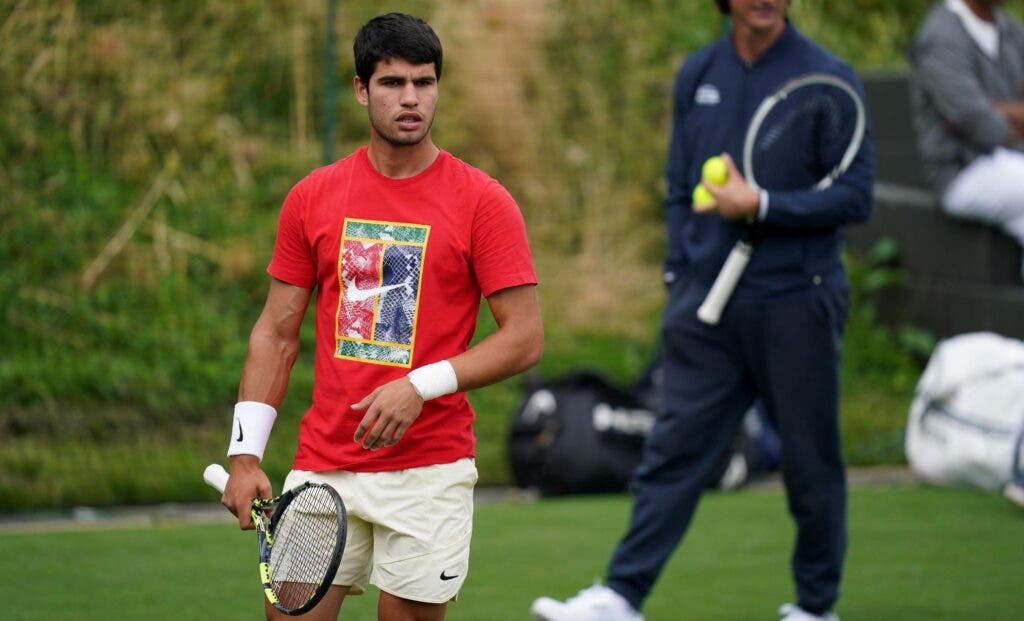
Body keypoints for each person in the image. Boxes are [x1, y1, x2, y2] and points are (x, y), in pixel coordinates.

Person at [530, 1, 872, 620]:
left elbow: (855, 195)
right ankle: (621, 597)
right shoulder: (697, 74)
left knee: (809, 459)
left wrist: (762, 203)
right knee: (672, 451)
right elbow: (678, 187)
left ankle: (817, 608)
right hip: (706, 309)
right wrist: (678, 275)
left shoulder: (828, 78)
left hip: (798, 300)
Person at [219, 13, 543, 621]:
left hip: (429, 472)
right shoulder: (313, 196)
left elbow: (524, 338)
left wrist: (420, 385)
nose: (412, 98)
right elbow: (275, 332)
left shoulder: (483, 202)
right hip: (323, 463)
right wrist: (245, 456)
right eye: (393, 83)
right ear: (361, 90)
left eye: (425, 82)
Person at [909, 0, 1024, 279]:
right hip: (961, 172)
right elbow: (976, 121)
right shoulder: (940, 35)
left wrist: (994, 111)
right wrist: (994, 116)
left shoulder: (1011, 30)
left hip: (1011, 164)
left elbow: (973, 116)